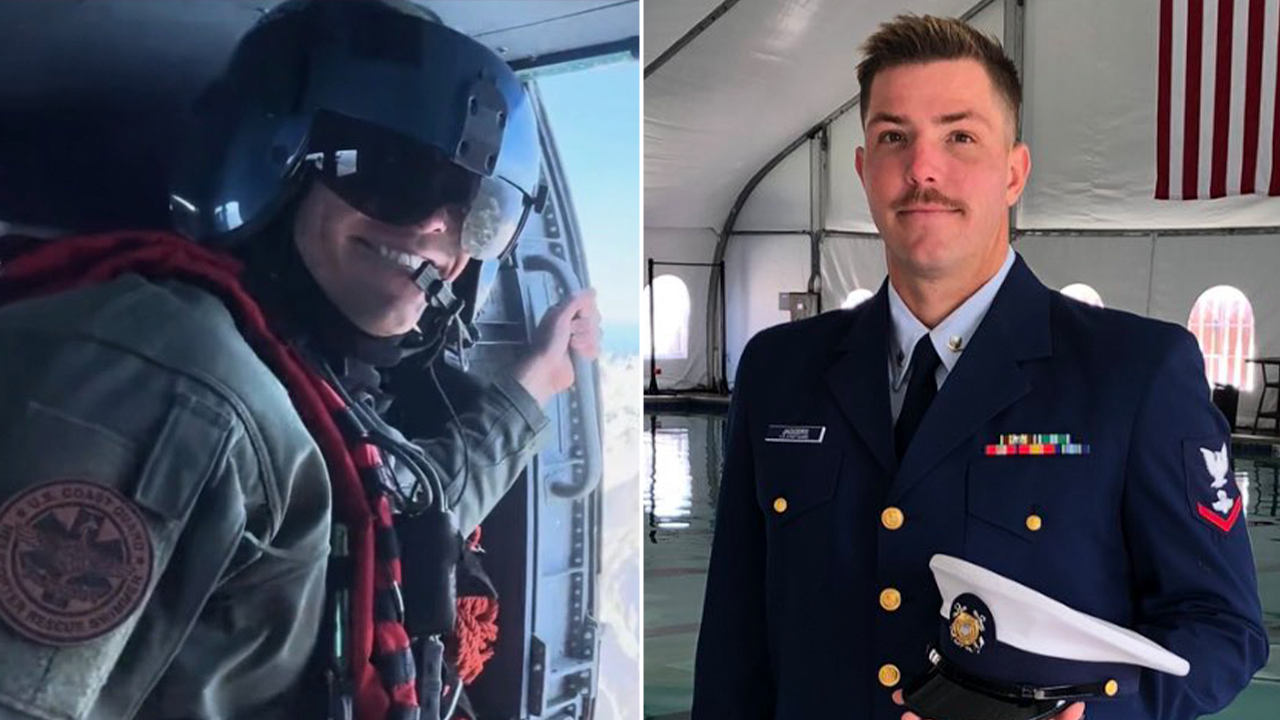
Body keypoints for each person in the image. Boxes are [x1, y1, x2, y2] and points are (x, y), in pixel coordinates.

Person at [0, 2, 600, 719]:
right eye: (395, 175)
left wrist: (532, 386)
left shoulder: (285, 379)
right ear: (277, 162)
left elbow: (385, 521)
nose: (439, 225)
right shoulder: (175, 384)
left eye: (476, 207)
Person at [691, 14, 1265, 720]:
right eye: (894, 137)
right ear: (864, 171)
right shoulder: (780, 372)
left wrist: (1085, 714)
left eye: (959, 137)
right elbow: (735, 644)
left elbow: (1222, 626)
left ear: (1014, 172)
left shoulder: (1134, 374)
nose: (922, 168)